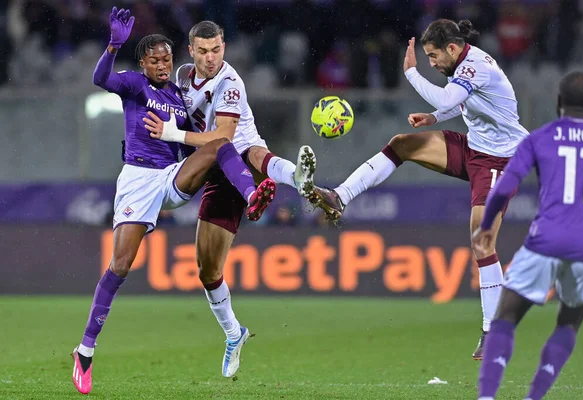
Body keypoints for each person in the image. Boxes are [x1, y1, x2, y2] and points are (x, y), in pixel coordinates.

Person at [71, 8, 276, 395]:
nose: (163, 65)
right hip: (137, 181)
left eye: (167, 59)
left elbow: (210, 129)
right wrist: (114, 44)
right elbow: (100, 78)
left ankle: (253, 195)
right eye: (155, 60)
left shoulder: (180, 96)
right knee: (121, 264)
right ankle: (84, 351)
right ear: (144, 63)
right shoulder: (133, 85)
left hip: (171, 177)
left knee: (218, 142)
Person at [299, 19, 529, 359]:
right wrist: (435, 118)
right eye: (427, 58)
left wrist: (411, 73)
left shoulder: (476, 66)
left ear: (451, 48)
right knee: (403, 144)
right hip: (475, 148)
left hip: (501, 160)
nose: (432, 63)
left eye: (434, 56)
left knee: (482, 240)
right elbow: (461, 103)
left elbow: (451, 95)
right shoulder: (461, 62)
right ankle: (340, 196)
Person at [142, 21, 315, 379]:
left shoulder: (231, 84)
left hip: (241, 163)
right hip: (214, 173)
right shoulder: (184, 74)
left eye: (216, 50)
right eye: (203, 51)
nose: (210, 58)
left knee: (249, 151)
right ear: (191, 50)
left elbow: (222, 136)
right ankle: (234, 334)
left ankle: (293, 178)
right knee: (207, 270)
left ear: (225, 47)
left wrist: (172, 132)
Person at [474, 72, 583, 400]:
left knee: (505, 318)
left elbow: (503, 187)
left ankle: (487, 397)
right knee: (568, 324)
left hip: (545, 242)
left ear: (559, 102)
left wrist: (486, 227)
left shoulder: (540, 138)